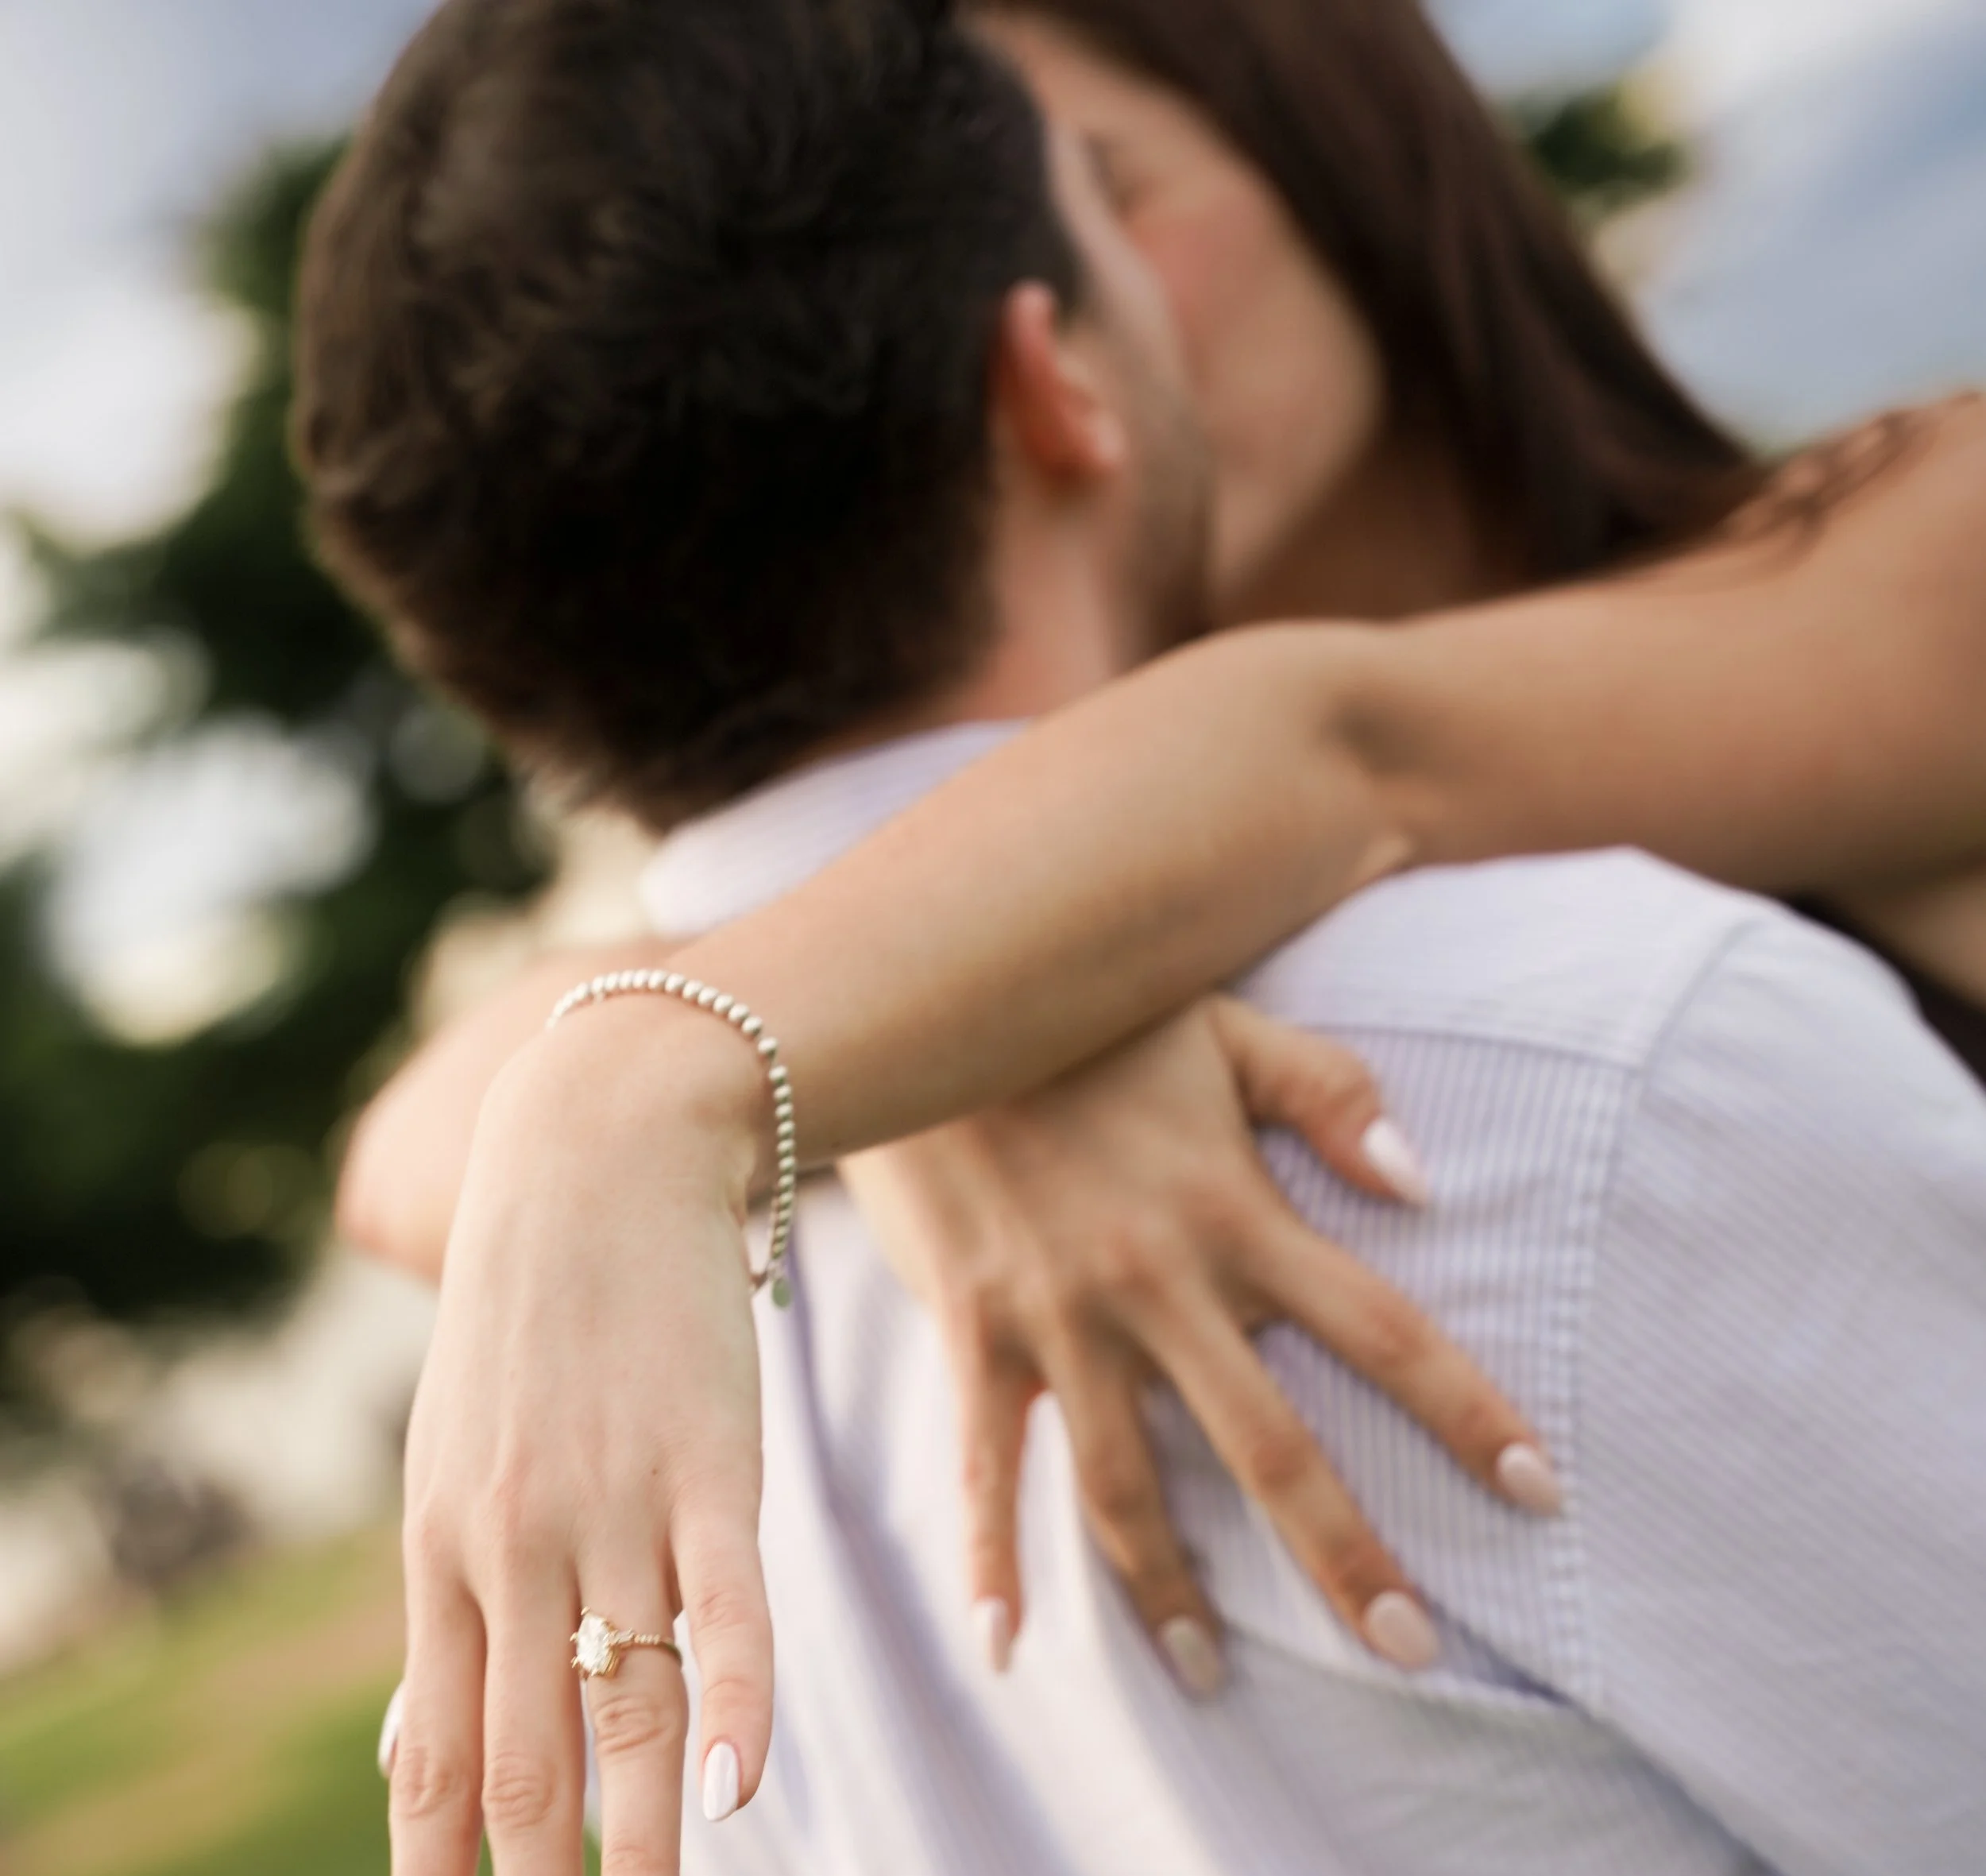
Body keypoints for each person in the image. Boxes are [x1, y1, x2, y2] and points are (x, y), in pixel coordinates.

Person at [302, 1, 1986, 1876]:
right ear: (1052, 365)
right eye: (1054, 197)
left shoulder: (689, 1304)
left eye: (1108, 151)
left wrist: (722, 1070)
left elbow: (1328, 753)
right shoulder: (1533, 1083)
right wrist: (806, 1062)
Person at [325, 0, 1986, 1727]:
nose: (1019, 287)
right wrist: (907, 1059)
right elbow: (403, 1145)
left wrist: (717, 1067)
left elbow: (1340, 748)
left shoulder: (1923, 530)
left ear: (1333, 147)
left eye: (1102, 189)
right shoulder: (1044, 895)